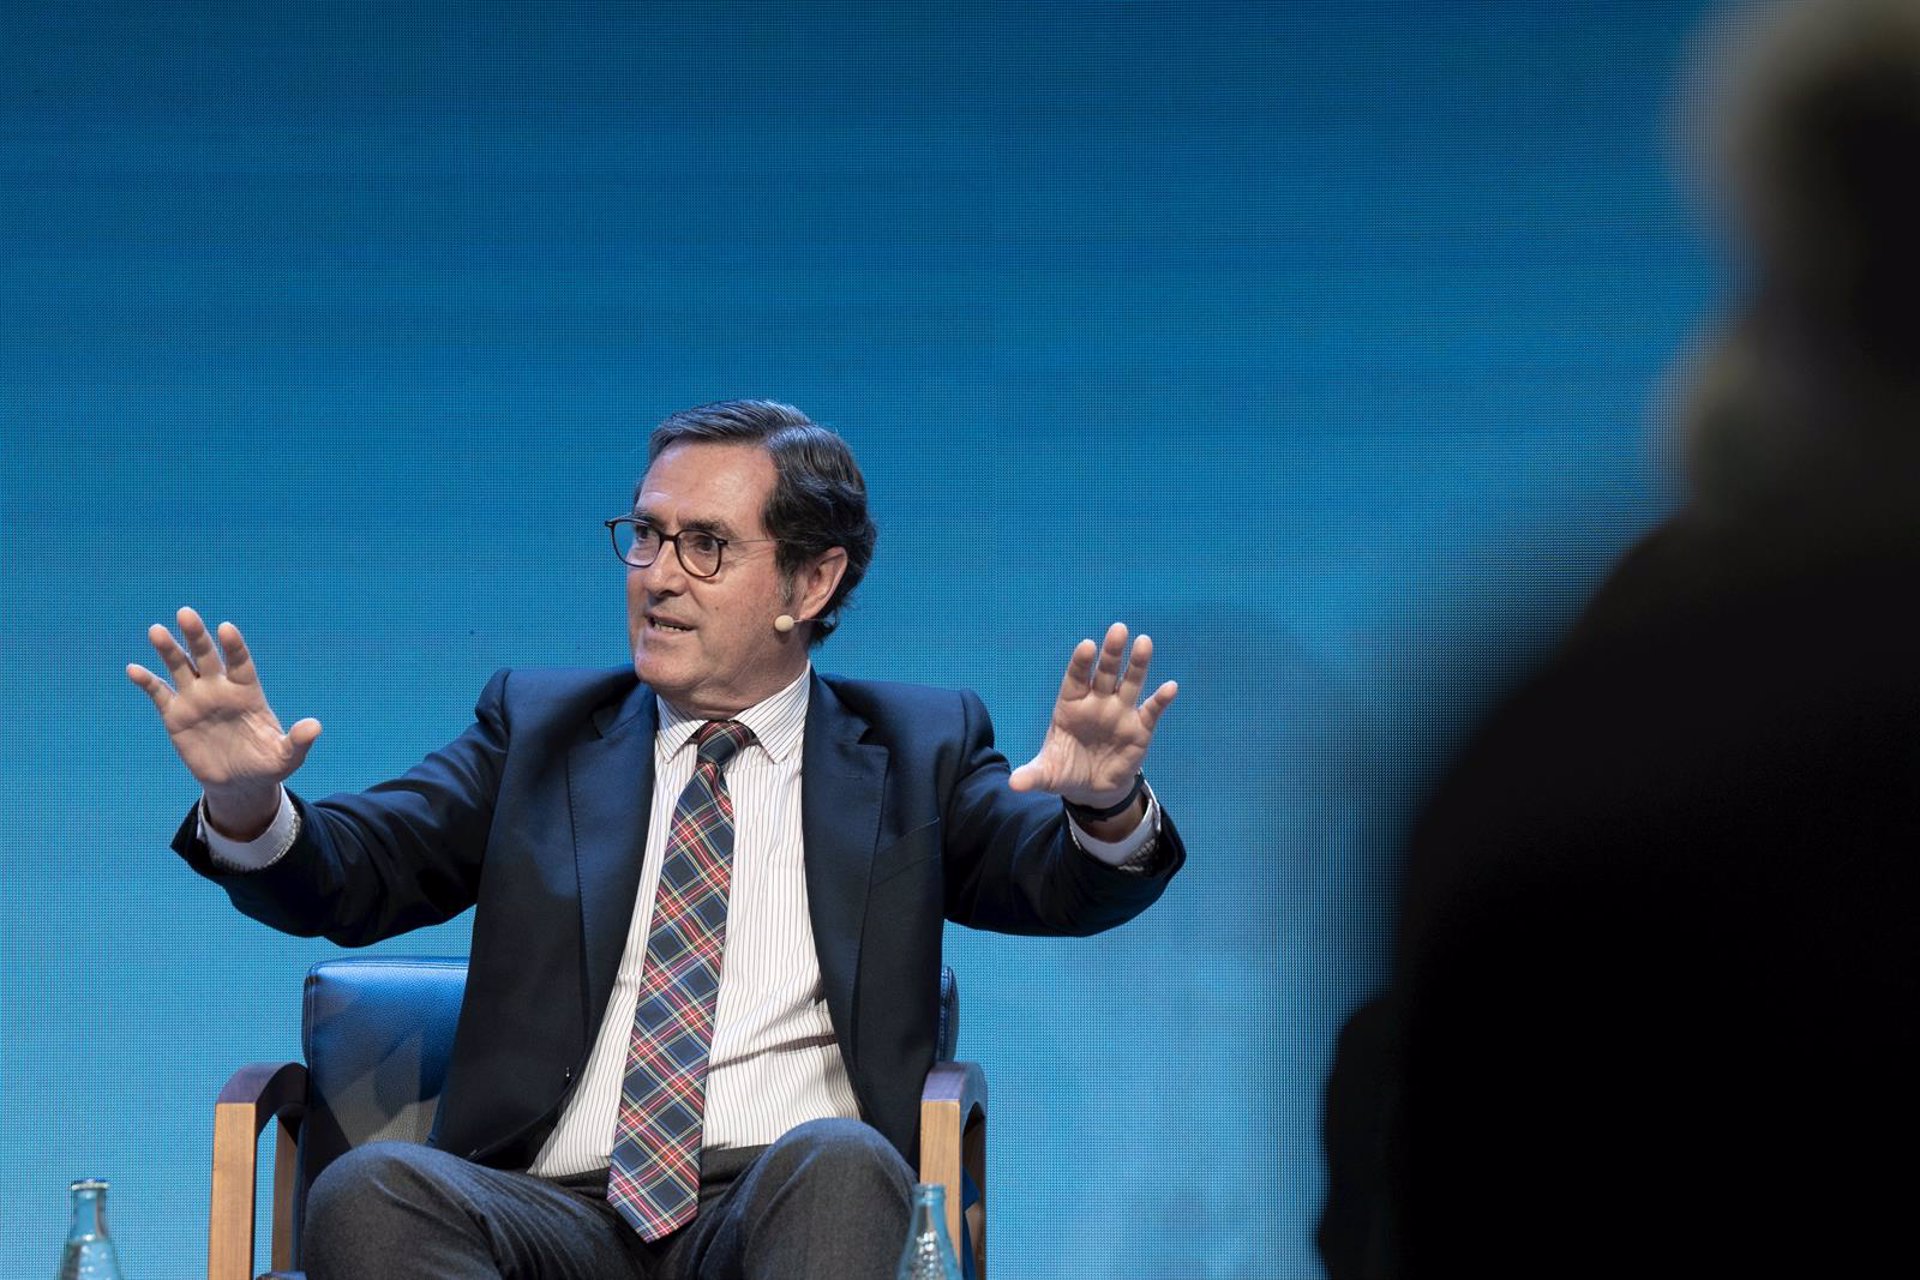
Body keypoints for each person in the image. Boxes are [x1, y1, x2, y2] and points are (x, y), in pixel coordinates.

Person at [127, 399, 1185, 1280]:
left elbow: (1055, 880)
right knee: (370, 1191)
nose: (658, 574)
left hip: (782, 1203)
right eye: (645, 535)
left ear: (811, 583)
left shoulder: (916, 747)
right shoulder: (540, 731)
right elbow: (358, 870)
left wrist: (1101, 808)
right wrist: (250, 806)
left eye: (705, 545)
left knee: (842, 1163)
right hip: (547, 1213)